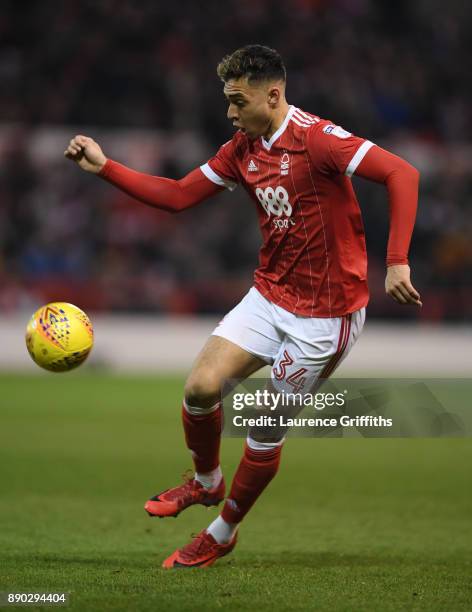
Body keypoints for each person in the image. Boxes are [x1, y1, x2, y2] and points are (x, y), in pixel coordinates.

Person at [64, 44, 421, 569]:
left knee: (261, 429)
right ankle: (207, 482)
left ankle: (222, 531)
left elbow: (403, 174)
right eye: (227, 101)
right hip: (270, 294)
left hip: (325, 316)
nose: (230, 113)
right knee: (199, 387)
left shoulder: (319, 140)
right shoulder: (242, 148)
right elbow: (178, 195)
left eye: (238, 101)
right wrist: (105, 169)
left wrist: (396, 261)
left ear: (272, 95)